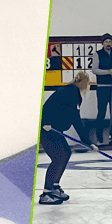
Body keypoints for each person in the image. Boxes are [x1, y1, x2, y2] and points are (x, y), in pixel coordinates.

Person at [39, 71, 93, 205]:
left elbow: (73, 117)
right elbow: (76, 120)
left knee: (66, 153)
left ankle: (55, 187)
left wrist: (87, 142)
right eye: (88, 84)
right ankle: (46, 193)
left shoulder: (72, 92)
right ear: (83, 84)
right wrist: (87, 141)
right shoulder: (69, 93)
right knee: (58, 158)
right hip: (48, 129)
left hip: (56, 129)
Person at [91, 33, 112, 145]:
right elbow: (95, 70)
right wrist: (108, 72)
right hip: (102, 88)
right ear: (102, 43)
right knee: (101, 113)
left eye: (110, 41)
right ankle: (99, 138)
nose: (108, 43)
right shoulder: (97, 54)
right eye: (106, 41)